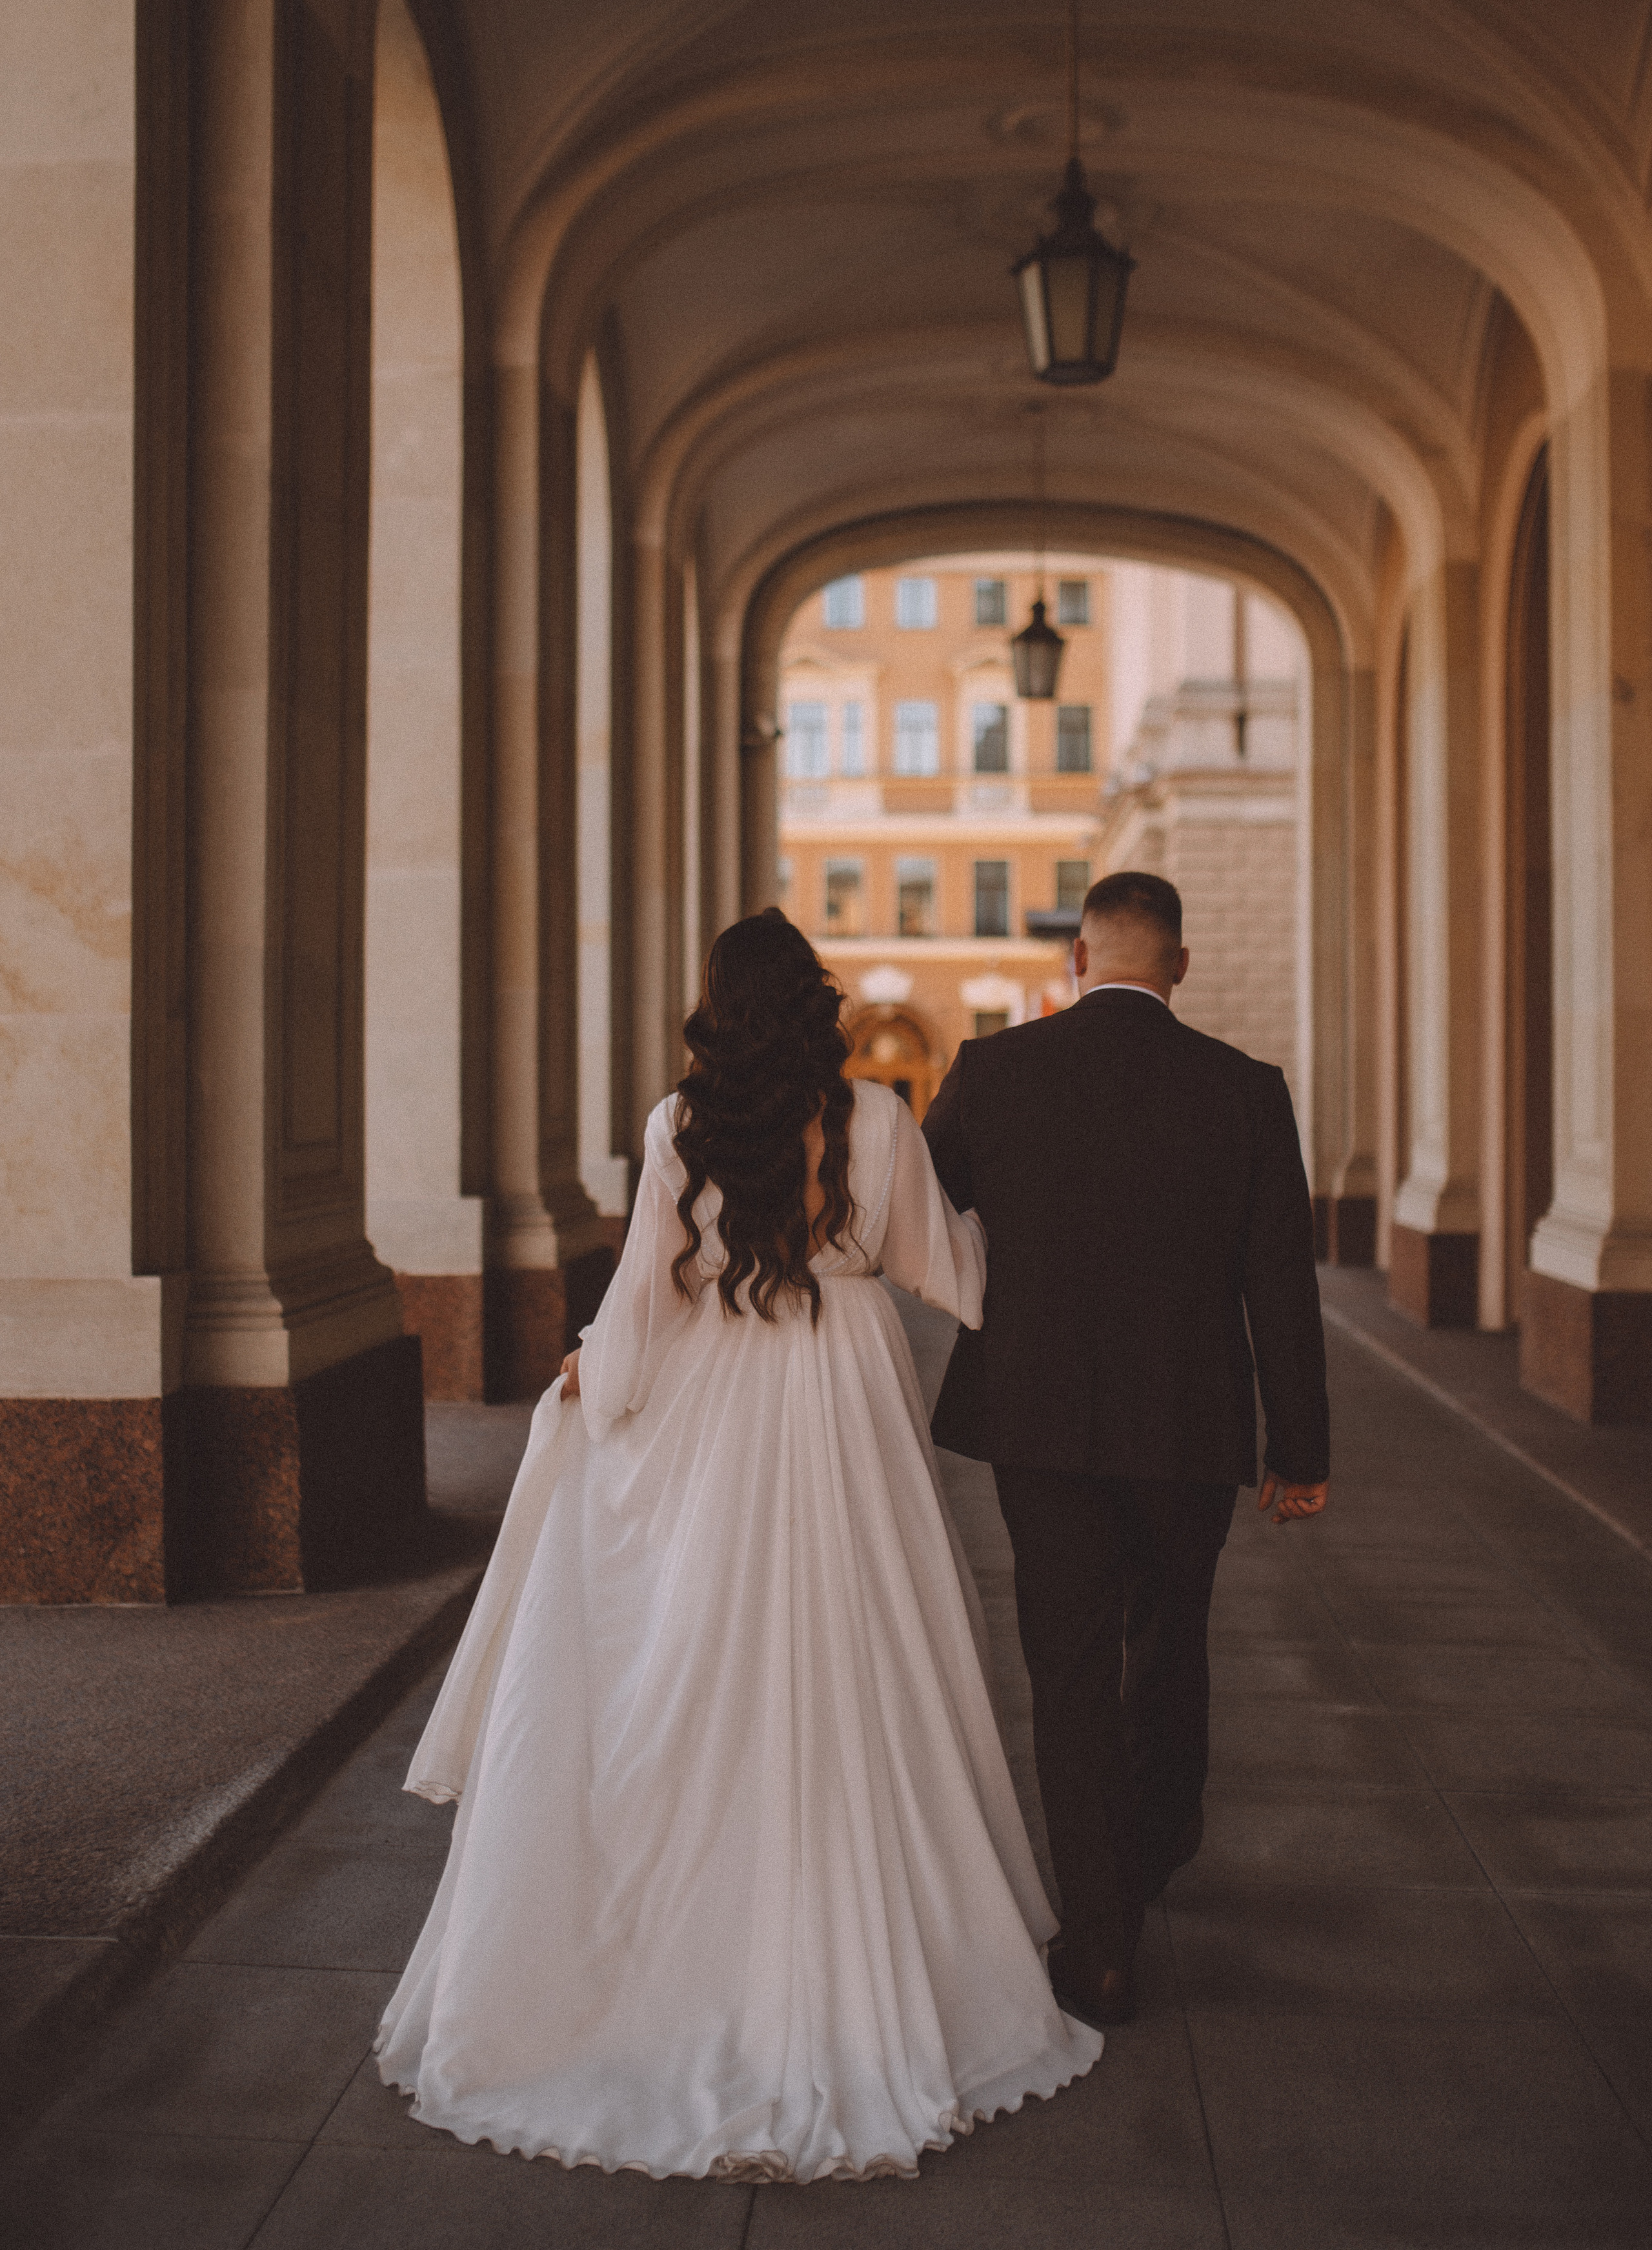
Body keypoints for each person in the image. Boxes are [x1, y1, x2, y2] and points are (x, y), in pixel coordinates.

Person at [376, 909, 1101, 2181]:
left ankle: (690, 1957)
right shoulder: (877, 1116)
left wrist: (590, 1388)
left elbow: (647, 1297)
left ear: (719, 1007)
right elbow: (955, 1274)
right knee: (864, 1654)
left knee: (697, 1654)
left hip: (716, 1397)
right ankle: (876, 1962)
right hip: (850, 1388)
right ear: (817, 1004)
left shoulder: (680, 1123)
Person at [923, 870, 1330, 2032]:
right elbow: (1282, 1287)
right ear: (1181, 967)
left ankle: (1100, 1942)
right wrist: (1299, 1447)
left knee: (1066, 1666)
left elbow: (920, 1213)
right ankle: (1154, 1851)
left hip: (1038, 1422)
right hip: (1190, 1429)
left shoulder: (994, 1072)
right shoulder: (1246, 1093)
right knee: (1169, 1638)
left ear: (1078, 961)